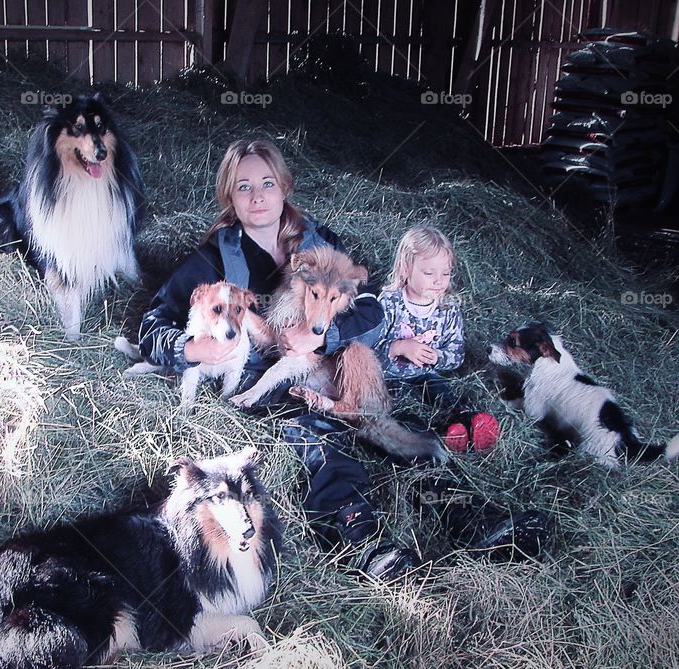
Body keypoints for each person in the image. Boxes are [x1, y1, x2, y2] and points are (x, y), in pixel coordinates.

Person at [138, 139, 546, 579]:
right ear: (228, 196)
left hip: (338, 362)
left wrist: (323, 337)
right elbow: (152, 325)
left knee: (391, 430)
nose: (257, 196)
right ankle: (366, 544)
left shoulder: (319, 241)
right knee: (319, 442)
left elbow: (371, 306)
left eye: (267, 183)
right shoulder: (213, 257)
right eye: (243, 187)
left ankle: (473, 518)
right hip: (274, 382)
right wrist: (192, 349)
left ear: (285, 187)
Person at [376, 226, 500, 453]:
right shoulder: (389, 302)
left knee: (443, 393)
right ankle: (428, 435)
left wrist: (438, 357)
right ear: (405, 270)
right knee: (395, 408)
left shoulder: (448, 308)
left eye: (446, 273)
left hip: (426, 374)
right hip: (389, 377)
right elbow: (369, 349)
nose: (439, 281)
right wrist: (399, 347)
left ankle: (466, 423)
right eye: (429, 273)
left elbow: (456, 354)